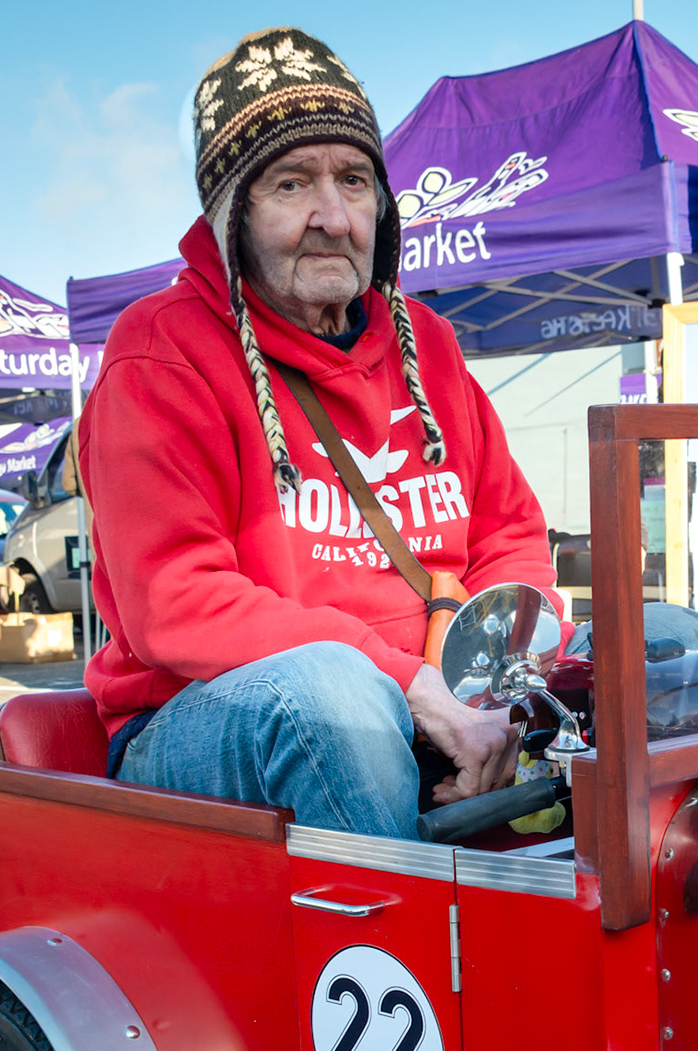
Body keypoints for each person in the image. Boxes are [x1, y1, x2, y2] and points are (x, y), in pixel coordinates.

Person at [79, 27, 558, 842]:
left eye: (355, 180)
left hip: (437, 693)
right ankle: (408, 960)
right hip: (207, 716)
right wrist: (410, 686)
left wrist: (504, 689)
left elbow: (509, 533)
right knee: (333, 700)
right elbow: (175, 600)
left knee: (674, 650)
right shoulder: (159, 351)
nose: (333, 218)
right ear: (233, 214)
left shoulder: (430, 342)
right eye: (292, 183)